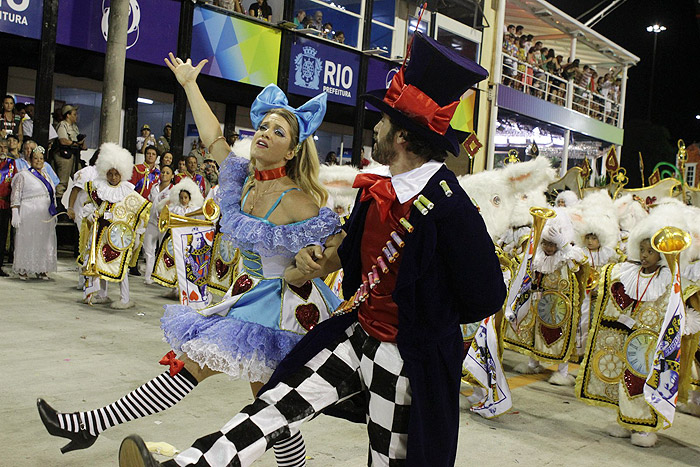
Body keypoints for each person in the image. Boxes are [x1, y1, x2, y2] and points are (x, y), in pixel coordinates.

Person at [117, 33, 506, 467]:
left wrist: (424, 316)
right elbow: (347, 251)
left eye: (383, 121)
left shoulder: (450, 207)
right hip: (355, 336)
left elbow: (486, 296)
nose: (375, 127)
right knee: (272, 409)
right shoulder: (375, 191)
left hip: (404, 359)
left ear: (401, 137)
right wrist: (314, 260)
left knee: (388, 459)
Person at [38, 53, 342, 467]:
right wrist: (189, 84)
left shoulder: (298, 199)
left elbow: (341, 247)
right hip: (251, 297)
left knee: (240, 392)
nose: (266, 133)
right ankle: (89, 424)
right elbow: (215, 137)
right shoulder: (244, 180)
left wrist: (313, 264)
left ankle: (89, 424)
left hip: (282, 309)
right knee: (272, 410)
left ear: (291, 151)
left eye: (279, 131)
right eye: (264, 126)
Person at [506, 209, 586, 385]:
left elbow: (577, 266)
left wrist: (564, 245)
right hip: (540, 303)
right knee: (536, 334)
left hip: (561, 307)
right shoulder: (539, 256)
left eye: (552, 244)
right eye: (546, 244)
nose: (548, 248)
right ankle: (533, 364)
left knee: (562, 337)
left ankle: (563, 372)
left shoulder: (569, 254)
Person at [78, 143, 151, 309]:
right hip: (101, 234)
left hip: (120, 238)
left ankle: (125, 299)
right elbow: (89, 207)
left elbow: (141, 211)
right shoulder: (98, 189)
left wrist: (137, 233)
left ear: (122, 173)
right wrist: (91, 215)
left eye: (116, 173)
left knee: (121, 268)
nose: (112, 176)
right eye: (109, 173)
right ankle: (102, 294)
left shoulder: (129, 191)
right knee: (101, 266)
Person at [10, 146, 57, 280]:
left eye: (41, 159)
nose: (38, 161)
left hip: (45, 213)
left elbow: (52, 194)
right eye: (35, 158)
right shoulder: (23, 175)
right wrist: (15, 210)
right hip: (29, 211)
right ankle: (23, 268)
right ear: (30, 160)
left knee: (44, 240)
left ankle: (41, 268)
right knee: (28, 239)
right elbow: (16, 193)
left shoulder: (47, 175)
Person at [143, 164, 174, 285]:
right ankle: (148, 276)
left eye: (167, 173)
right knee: (148, 249)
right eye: (162, 172)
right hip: (152, 222)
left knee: (163, 250)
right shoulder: (154, 187)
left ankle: (161, 277)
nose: (164, 175)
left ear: (172, 176)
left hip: (165, 224)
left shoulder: (173, 190)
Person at [55, 104, 86, 200]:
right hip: (65, 155)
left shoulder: (75, 127)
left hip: (75, 155)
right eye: (74, 114)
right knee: (63, 181)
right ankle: (58, 202)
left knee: (81, 179)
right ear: (68, 115)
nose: (76, 116)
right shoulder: (62, 125)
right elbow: (63, 140)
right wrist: (74, 143)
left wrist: (81, 144)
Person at [0, 138, 17, 277]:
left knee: (2, 236)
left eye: (5, 147)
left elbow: (16, 184)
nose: (2, 150)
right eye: (0, 147)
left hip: (4, 205)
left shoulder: (11, 165)